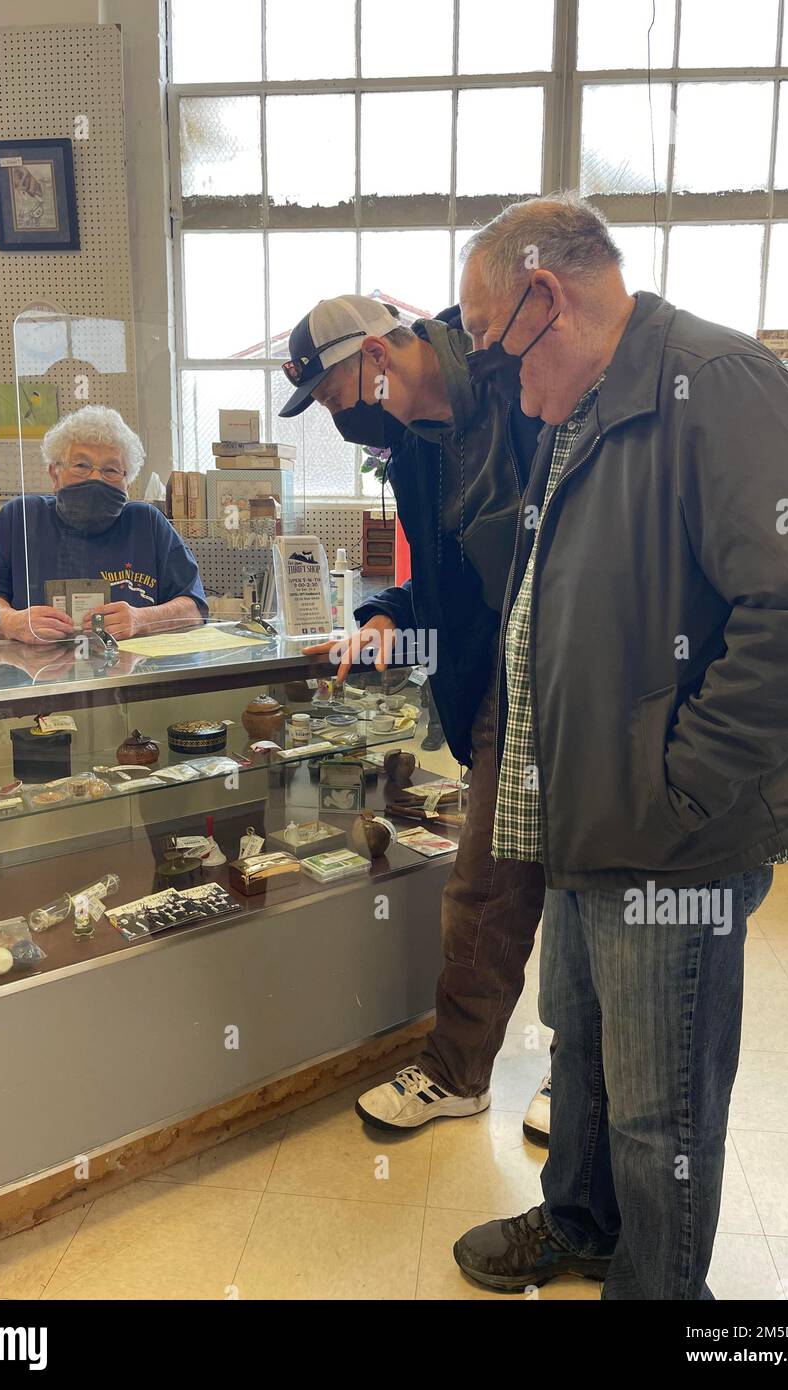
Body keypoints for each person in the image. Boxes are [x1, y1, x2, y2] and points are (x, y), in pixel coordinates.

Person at [451, 193, 788, 1298]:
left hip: (665, 832)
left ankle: (662, 1292)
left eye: (490, 349)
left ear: (545, 300)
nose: (497, 377)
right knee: (579, 1054)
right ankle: (582, 1222)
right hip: (590, 810)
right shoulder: (582, 409)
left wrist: (677, 788)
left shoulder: (717, 385)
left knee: (659, 1099)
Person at [279, 294, 552, 1139]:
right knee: (487, 890)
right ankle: (461, 1071)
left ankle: (582, 1078)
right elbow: (444, 574)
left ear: (374, 357)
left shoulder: (521, 392)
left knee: (586, 900)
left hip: (572, 680)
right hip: (493, 693)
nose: (340, 422)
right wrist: (387, 611)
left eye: (332, 399)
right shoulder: (412, 450)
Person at [0, 405, 207, 644]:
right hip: (37, 677)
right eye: (81, 466)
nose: (96, 478)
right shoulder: (20, 518)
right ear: (54, 473)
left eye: (111, 469)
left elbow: (194, 608)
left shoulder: (147, 523)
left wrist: (142, 619)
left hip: (130, 675)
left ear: (128, 481)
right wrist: (12, 622)